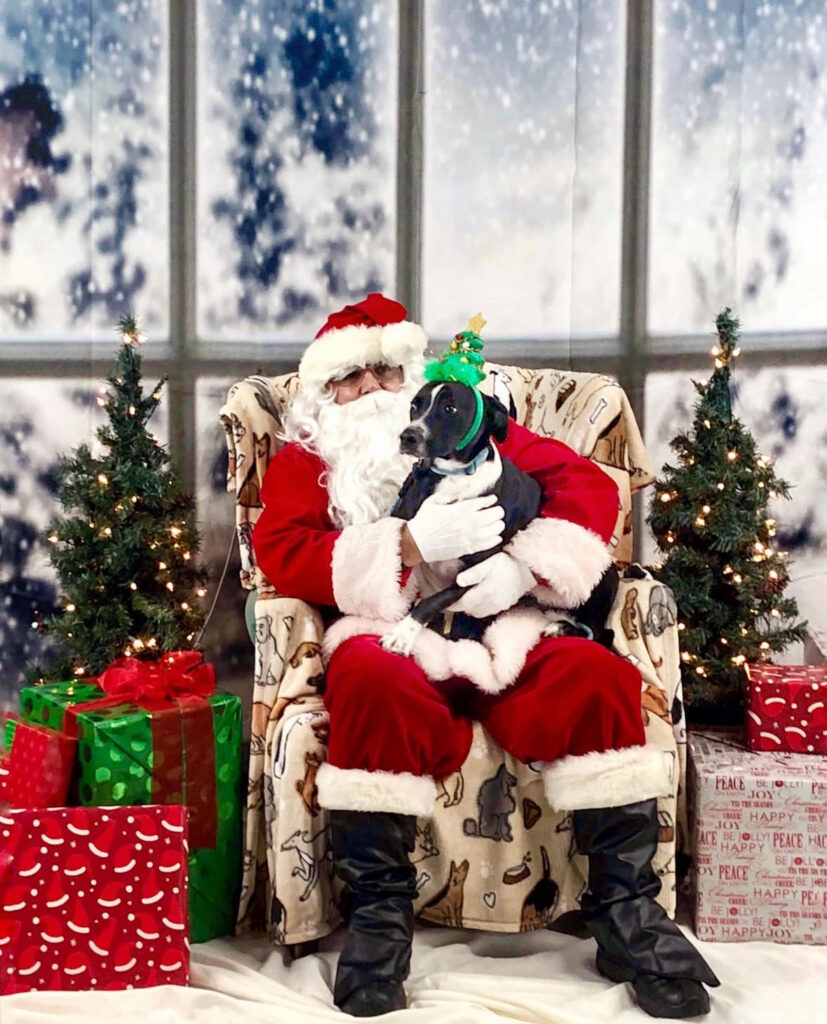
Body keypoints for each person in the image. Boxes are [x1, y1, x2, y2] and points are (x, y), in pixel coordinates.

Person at [252, 293, 719, 1020]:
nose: (372, 390)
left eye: (385, 371)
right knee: (369, 681)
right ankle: (379, 919)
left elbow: (588, 487)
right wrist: (404, 547)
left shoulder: (473, 424)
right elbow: (281, 552)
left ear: (413, 376)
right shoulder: (303, 464)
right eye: (352, 377)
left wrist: (524, 568)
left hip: (505, 626)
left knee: (594, 675)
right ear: (322, 394)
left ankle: (626, 914)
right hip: (390, 632)